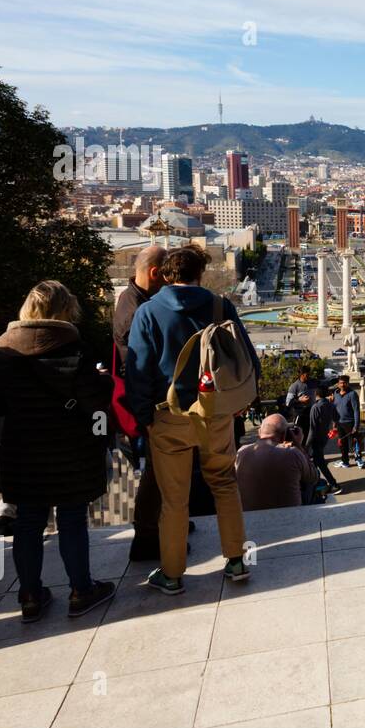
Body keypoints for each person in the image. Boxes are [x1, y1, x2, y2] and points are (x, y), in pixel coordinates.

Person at [126, 244, 260, 595]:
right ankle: (236, 561)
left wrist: (144, 418)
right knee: (225, 484)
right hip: (215, 413)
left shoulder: (148, 312)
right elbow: (246, 359)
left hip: (168, 416)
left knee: (174, 499)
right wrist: (242, 401)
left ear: (167, 275)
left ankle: (172, 574)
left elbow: (137, 372)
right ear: (200, 273)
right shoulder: (220, 306)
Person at [0, 281, 116, 621]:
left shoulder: (0, 353)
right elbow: (93, 402)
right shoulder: (75, 349)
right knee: (71, 519)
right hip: (71, 450)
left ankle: (30, 596)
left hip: (22, 451)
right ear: (65, 310)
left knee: (28, 521)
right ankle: (81, 590)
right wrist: (104, 380)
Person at [112, 244, 168, 561]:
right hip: (150, 408)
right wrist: (148, 414)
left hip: (148, 404)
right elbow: (138, 368)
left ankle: (163, 523)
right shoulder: (136, 312)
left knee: (161, 470)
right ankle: (147, 536)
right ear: (154, 273)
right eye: (167, 277)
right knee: (157, 472)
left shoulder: (133, 299)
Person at [236, 414, 320, 510]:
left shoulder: (241, 452)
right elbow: (314, 477)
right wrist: (298, 445)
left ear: (259, 432)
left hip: (249, 515)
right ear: (285, 434)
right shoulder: (292, 454)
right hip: (290, 515)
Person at [307, 384, 343, 496]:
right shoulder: (330, 405)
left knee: (319, 462)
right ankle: (315, 484)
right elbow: (337, 418)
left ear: (316, 394)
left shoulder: (315, 407)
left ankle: (333, 484)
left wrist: (306, 445)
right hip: (324, 437)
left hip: (316, 439)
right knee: (316, 462)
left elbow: (312, 430)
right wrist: (333, 426)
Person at [330, 375, 364, 469]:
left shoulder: (352, 394)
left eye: (344, 383)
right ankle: (345, 461)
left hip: (350, 423)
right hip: (339, 423)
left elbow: (356, 410)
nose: (342, 385)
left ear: (348, 383)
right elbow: (334, 408)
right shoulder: (335, 393)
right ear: (338, 384)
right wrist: (334, 422)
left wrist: (356, 426)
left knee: (355, 442)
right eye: (340, 383)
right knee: (342, 444)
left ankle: (359, 459)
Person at [285, 366, 319, 440]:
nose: (309, 376)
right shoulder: (294, 386)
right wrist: (299, 400)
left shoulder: (313, 382)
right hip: (300, 415)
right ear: (302, 374)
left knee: (311, 436)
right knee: (299, 436)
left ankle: (306, 450)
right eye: (307, 374)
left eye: (309, 374)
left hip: (312, 413)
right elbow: (288, 402)